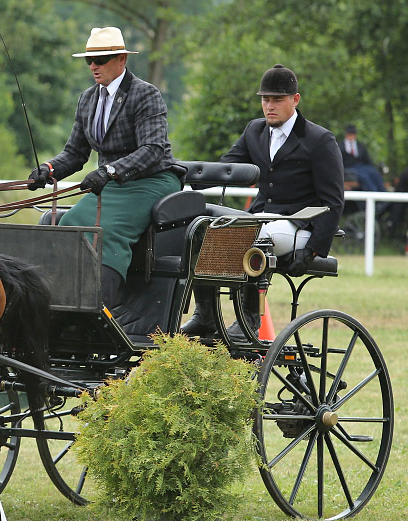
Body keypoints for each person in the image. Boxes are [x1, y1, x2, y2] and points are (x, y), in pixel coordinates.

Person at [181, 64, 344, 339]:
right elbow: (227, 168)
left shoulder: (319, 140)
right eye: (265, 99)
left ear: (295, 99)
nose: (269, 106)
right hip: (262, 218)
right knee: (203, 227)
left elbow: (333, 201)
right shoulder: (254, 131)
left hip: (299, 226)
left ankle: (248, 322)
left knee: (255, 235)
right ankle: (206, 315)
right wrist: (179, 175)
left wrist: (314, 249)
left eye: (277, 100)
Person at [26, 26, 182, 310]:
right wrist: (48, 169)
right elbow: (74, 153)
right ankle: (66, 302)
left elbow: (153, 149)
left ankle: (103, 307)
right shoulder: (88, 98)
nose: (93, 66)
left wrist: (110, 171)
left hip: (152, 180)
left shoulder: (145, 94)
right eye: (89, 61)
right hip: (112, 184)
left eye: (100, 60)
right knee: (69, 223)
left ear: (122, 59)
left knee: (103, 230)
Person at [340, 124, 384, 192]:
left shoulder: (360, 146)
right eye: (350, 134)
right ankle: (372, 193)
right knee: (364, 176)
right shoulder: (340, 146)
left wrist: (373, 167)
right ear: (346, 134)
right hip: (349, 168)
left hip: (362, 166)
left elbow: (367, 159)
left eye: (353, 134)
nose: (351, 136)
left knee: (374, 173)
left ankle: (383, 193)